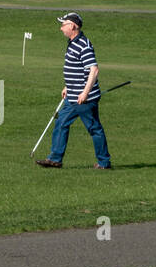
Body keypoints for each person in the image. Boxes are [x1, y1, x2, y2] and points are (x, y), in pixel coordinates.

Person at [36, 12, 112, 169]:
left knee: (94, 128)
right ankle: (55, 159)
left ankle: (104, 162)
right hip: (73, 95)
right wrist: (67, 86)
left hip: (84, 99)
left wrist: (85, 93)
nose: (61, 28)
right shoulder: (72, 43)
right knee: (61, 122)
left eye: (63, 24)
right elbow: (77, 69)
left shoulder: (83, 45)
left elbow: (94, 70)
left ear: (72, 26)